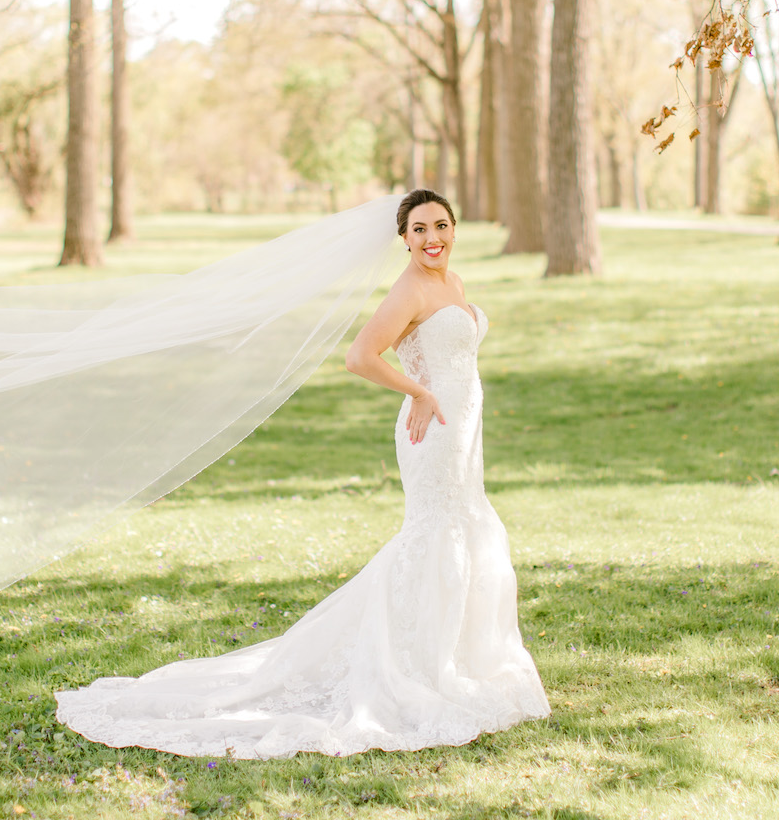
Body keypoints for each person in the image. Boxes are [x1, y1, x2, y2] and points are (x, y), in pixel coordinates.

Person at [54, 189, 551, 759]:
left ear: (454, 228)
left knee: (465, 527)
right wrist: (417, 391)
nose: (432, 238)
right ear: (404, 238)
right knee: (436, 532)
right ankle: (414, 663)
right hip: (432, 431)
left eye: (441, 226)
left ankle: (457, 657)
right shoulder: (410, 289)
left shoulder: (453, 283)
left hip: (464, 427)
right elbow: (360, 356)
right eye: (419, 230)